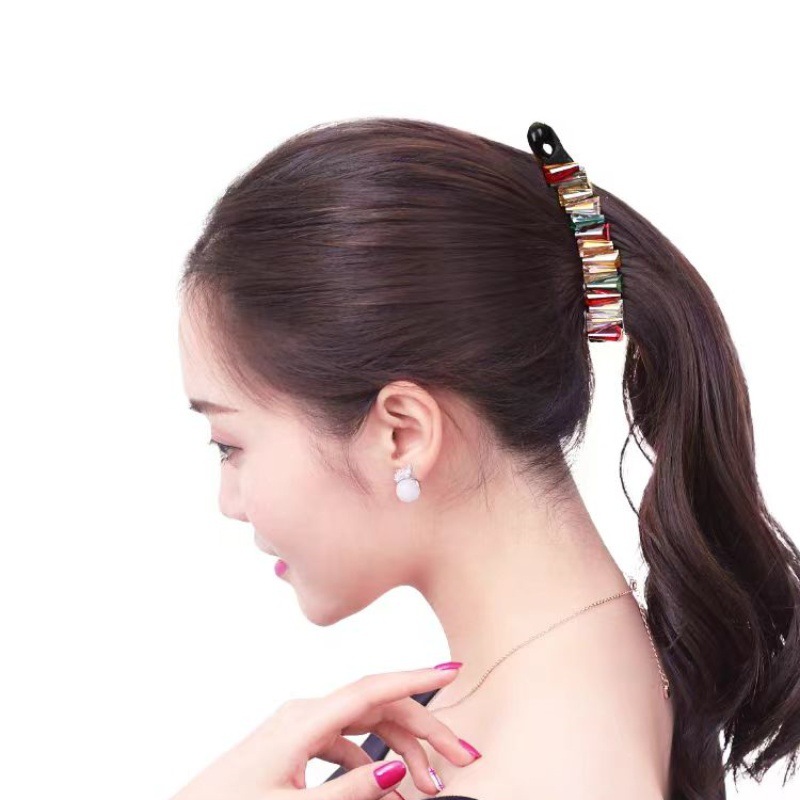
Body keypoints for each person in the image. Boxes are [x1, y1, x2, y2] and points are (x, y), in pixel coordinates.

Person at [174, 117, 800, 799]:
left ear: (402, 434)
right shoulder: (608, 678)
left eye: (230, 445)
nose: (228, 503)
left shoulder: (538, 766)